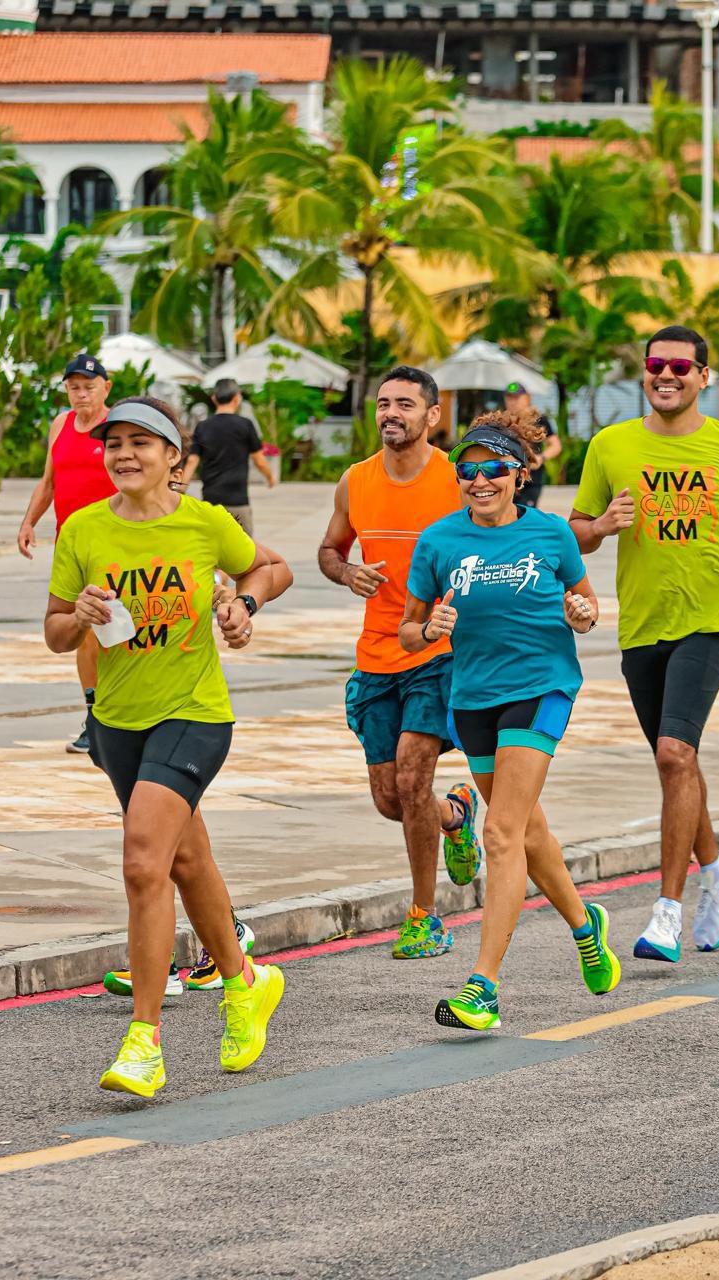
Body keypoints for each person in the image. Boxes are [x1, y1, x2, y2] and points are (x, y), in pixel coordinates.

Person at [45, 396, 293, 1098]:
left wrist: (242, 606)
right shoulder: (84, 530)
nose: (124, 454)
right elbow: (55, 632)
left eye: (140, 444)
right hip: (117, 721)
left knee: (142, 860)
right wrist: (81, 617)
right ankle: (246, 984)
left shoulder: (203, 523)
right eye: (114, 444)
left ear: (173, 460)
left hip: (194, 712)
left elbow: (271, 569)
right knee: (186, 858)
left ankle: (145, 1040)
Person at [569, 325, 719, 964]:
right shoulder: (611, 445)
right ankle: (718, 867)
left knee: (674, 753)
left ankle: (664, 912)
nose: (666, 376)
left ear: (703, 377)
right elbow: (575, 532)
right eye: (655, 366)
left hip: (714, 612)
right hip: (642, 622)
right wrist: (601, 527)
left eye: (680, 367)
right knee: (679, 764)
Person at [399, 411, 621, 1032]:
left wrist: (582, 615)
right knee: (526, 832)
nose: (479, 479)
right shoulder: (438, 542)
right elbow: (409, 629)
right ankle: (586, 926)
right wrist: (427, 633)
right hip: (472, 699)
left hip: (541, 687)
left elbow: (587, 604)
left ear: (519, 476)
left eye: (494, 468)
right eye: (468, 470)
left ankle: (484, 987)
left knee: (499, 832)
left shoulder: (552, 535)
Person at [318, 366, 482, 960]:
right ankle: (456, 815)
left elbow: (497, 544)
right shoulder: (356, 481)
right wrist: (347, 571)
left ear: (432, 416)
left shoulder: (457, 480)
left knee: (413, 778)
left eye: (405, 404)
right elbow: (329, 550)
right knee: (392, 798)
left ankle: (423, 916)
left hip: (439, 652)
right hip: (377, 654)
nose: (391, 413)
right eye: (384, 403)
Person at [18, 353, 115, 753]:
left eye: (88, 386)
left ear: (106, 388)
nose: (80, 394)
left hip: (114, 544)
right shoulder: (61, 425)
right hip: (69, 547)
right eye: (73, 387)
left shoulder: (117, 427)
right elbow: (48, 482)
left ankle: (115, 714)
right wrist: (28, 522)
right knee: (81, 630)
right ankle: (94, 716)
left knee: (112, 631)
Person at [181, 378, 276, 535]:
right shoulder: (245, 425)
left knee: (211, 552)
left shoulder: (202, 427)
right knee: (245, 553)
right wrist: (270, 477)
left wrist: (180, 489)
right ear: (237, 398)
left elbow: (192, 461)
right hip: (238, 501)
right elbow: (259, 460)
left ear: (213, 398)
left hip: (211, 502)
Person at [504, 381, 561, 509]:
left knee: (525, 515)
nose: (512, 402)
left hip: (531, 480)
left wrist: (541, 458)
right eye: (509, 398)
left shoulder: (539, 420)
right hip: (508, 477)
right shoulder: (502, 421)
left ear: (527, 397)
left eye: (516, 398)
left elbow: (556, 445)